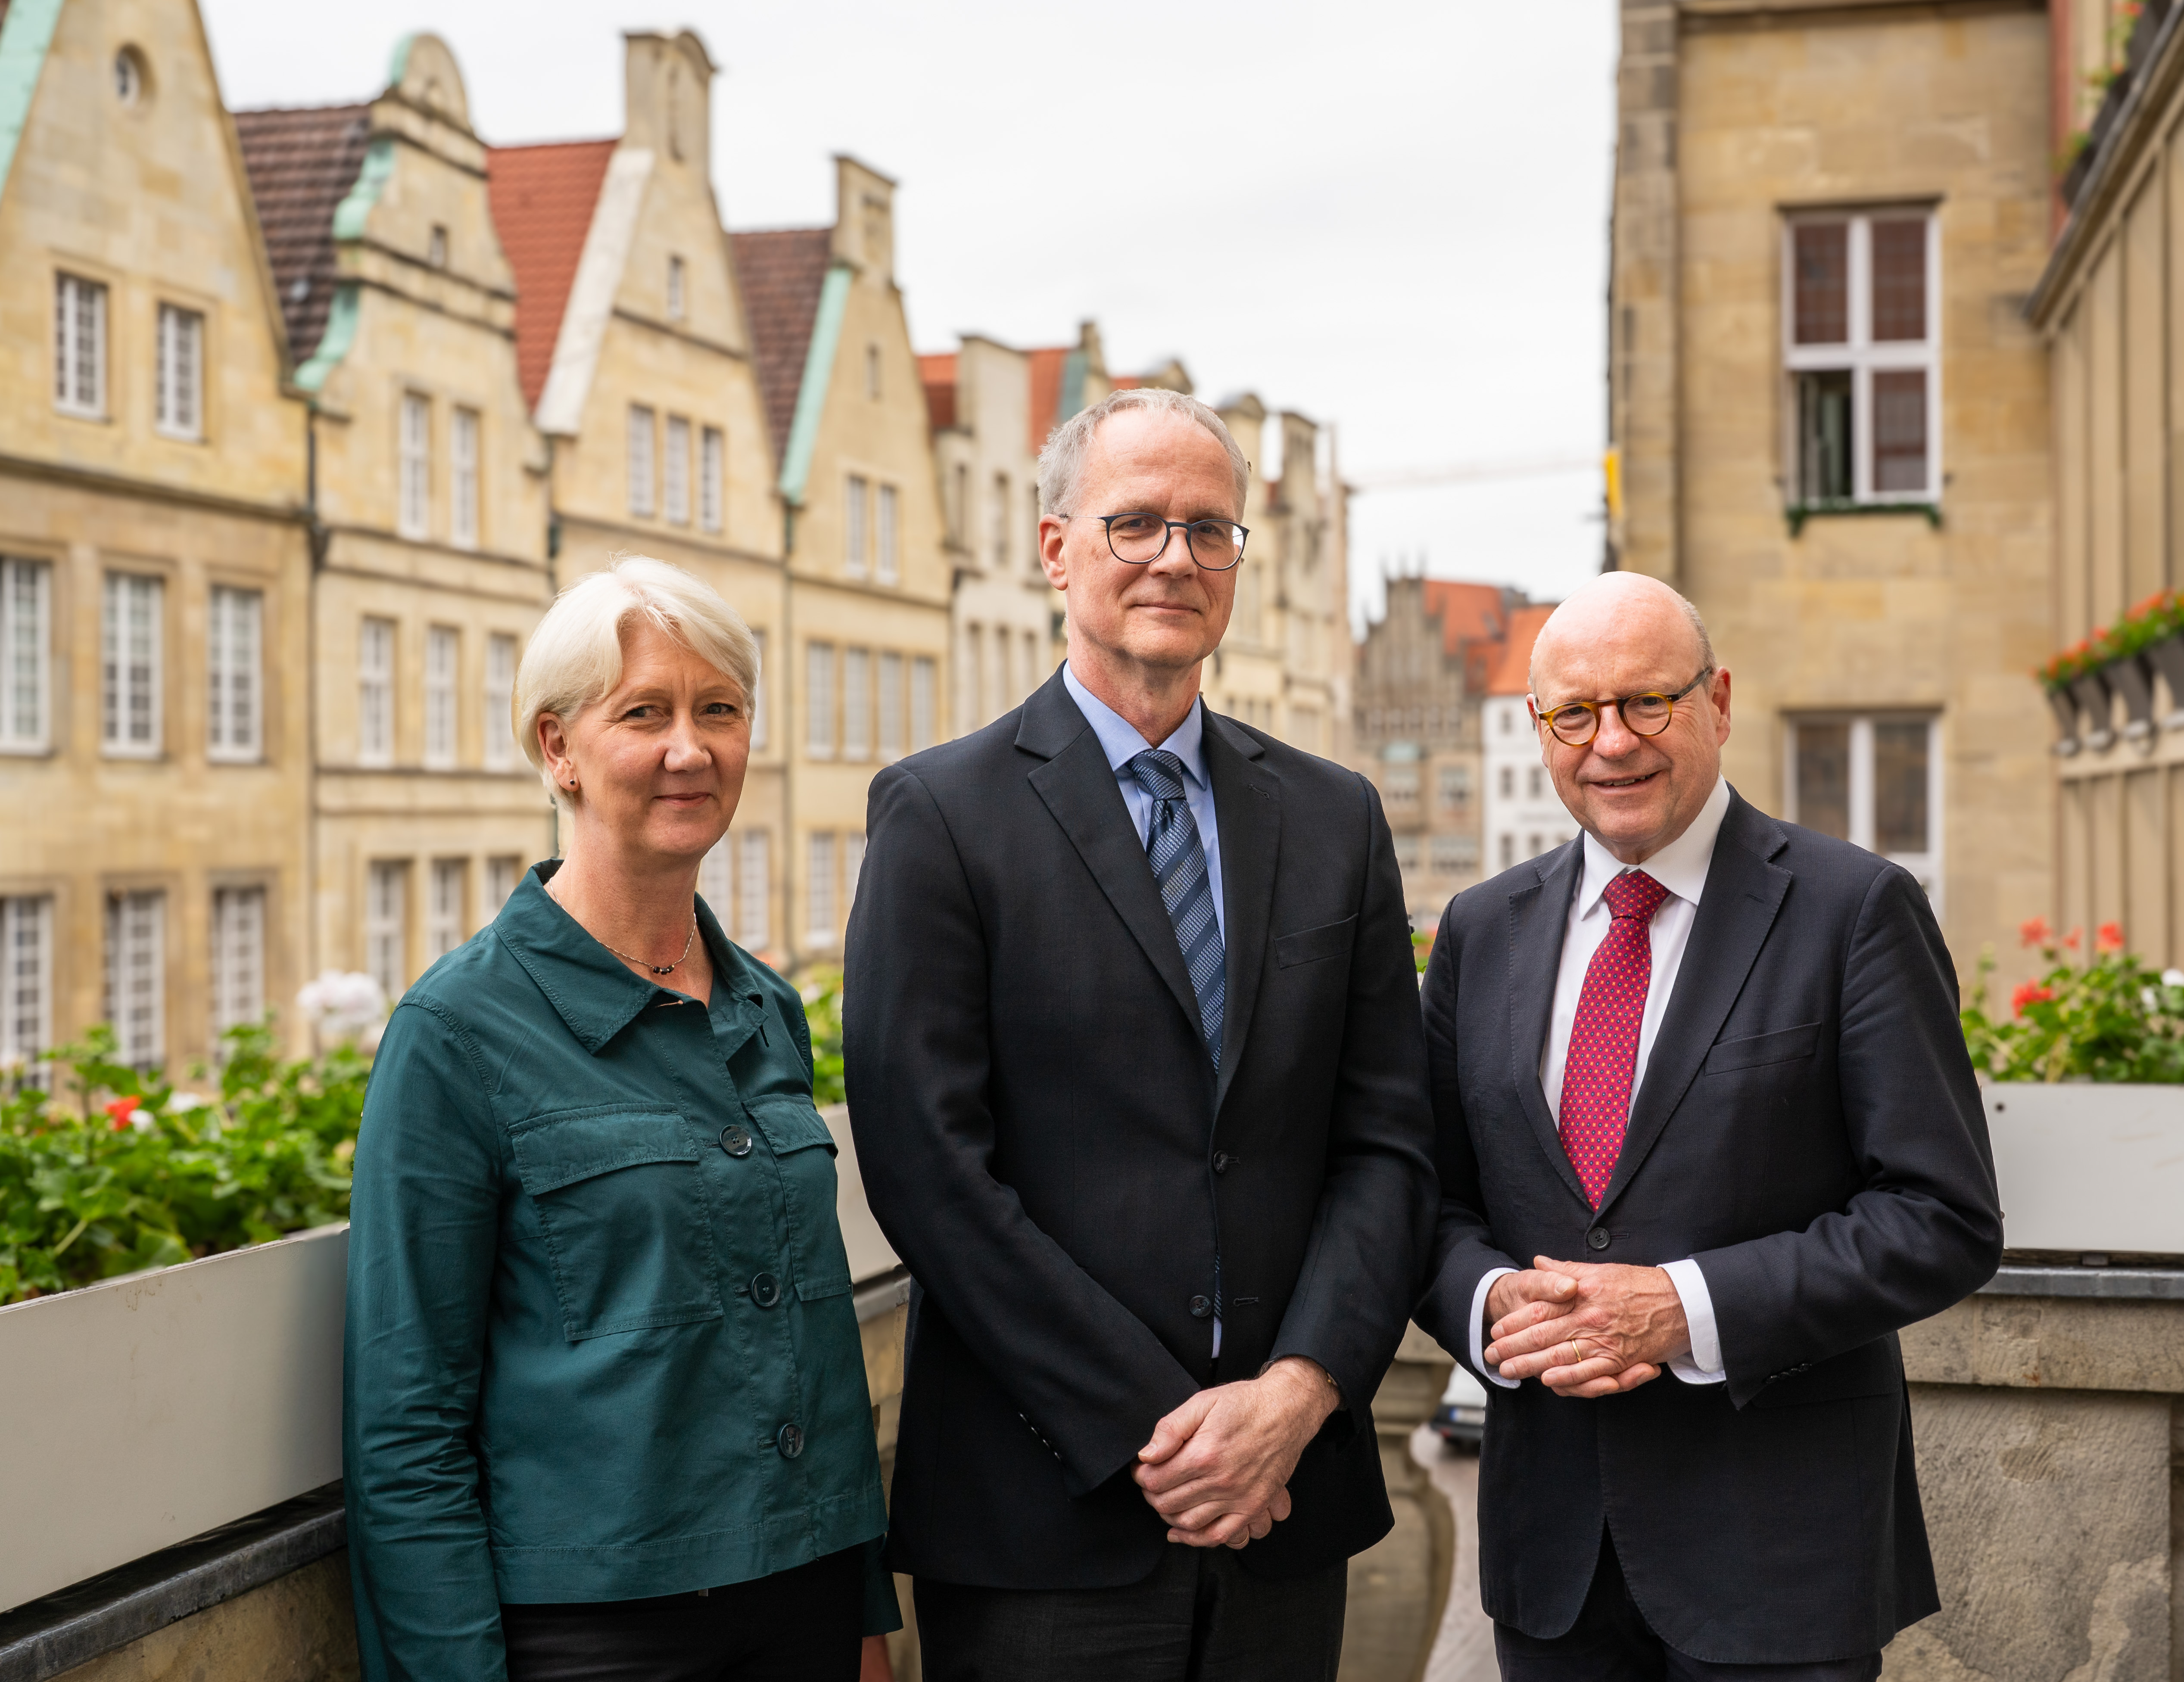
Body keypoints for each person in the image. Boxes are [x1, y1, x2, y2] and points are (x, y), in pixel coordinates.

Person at [844, 387, 1435, 1681]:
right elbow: (927, 1170)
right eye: (1136, 523)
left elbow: (1389, 1143)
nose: (1175, 556)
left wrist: (1295, 1396)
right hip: (1044, 1511)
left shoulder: (1334, 817)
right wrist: (1163, 1430)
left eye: (1208, 530)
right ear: (1055, 548)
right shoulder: (940, 817)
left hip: (1286, 1507)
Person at [1414, 572, 2003, 1680]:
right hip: (1554, 1556)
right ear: (1541, 731)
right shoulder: (1479, 928)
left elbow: (1941, 1218)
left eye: (1649, 702)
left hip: (1779, 1550)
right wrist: (1492, 1306)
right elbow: (1425, 1199)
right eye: (1574, 714)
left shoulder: (1854, 911)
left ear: (1718, 702)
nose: (1612, 743)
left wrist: (1681, 1310)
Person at [343, 557, 900, 1682]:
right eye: (643, 712)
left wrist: (862, 1621)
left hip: (805, 1610)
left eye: (720, 710)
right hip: (599, 1641)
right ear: (558, 748)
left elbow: (815, 1351)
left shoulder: (768, 1007)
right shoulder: (455, 1032)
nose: (689, 750)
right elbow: (406, 1433)